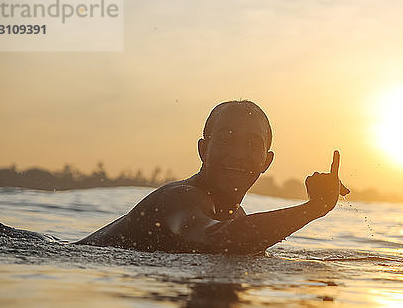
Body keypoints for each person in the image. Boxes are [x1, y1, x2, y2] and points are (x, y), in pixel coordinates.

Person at [75, 100, 349, 255]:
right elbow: (218, 240)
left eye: (252, 145)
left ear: (266, 162)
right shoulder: (180, 198)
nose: (239, 154)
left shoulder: (234, 216)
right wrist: (313, 209)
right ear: (203, 149)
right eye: (227, 140)